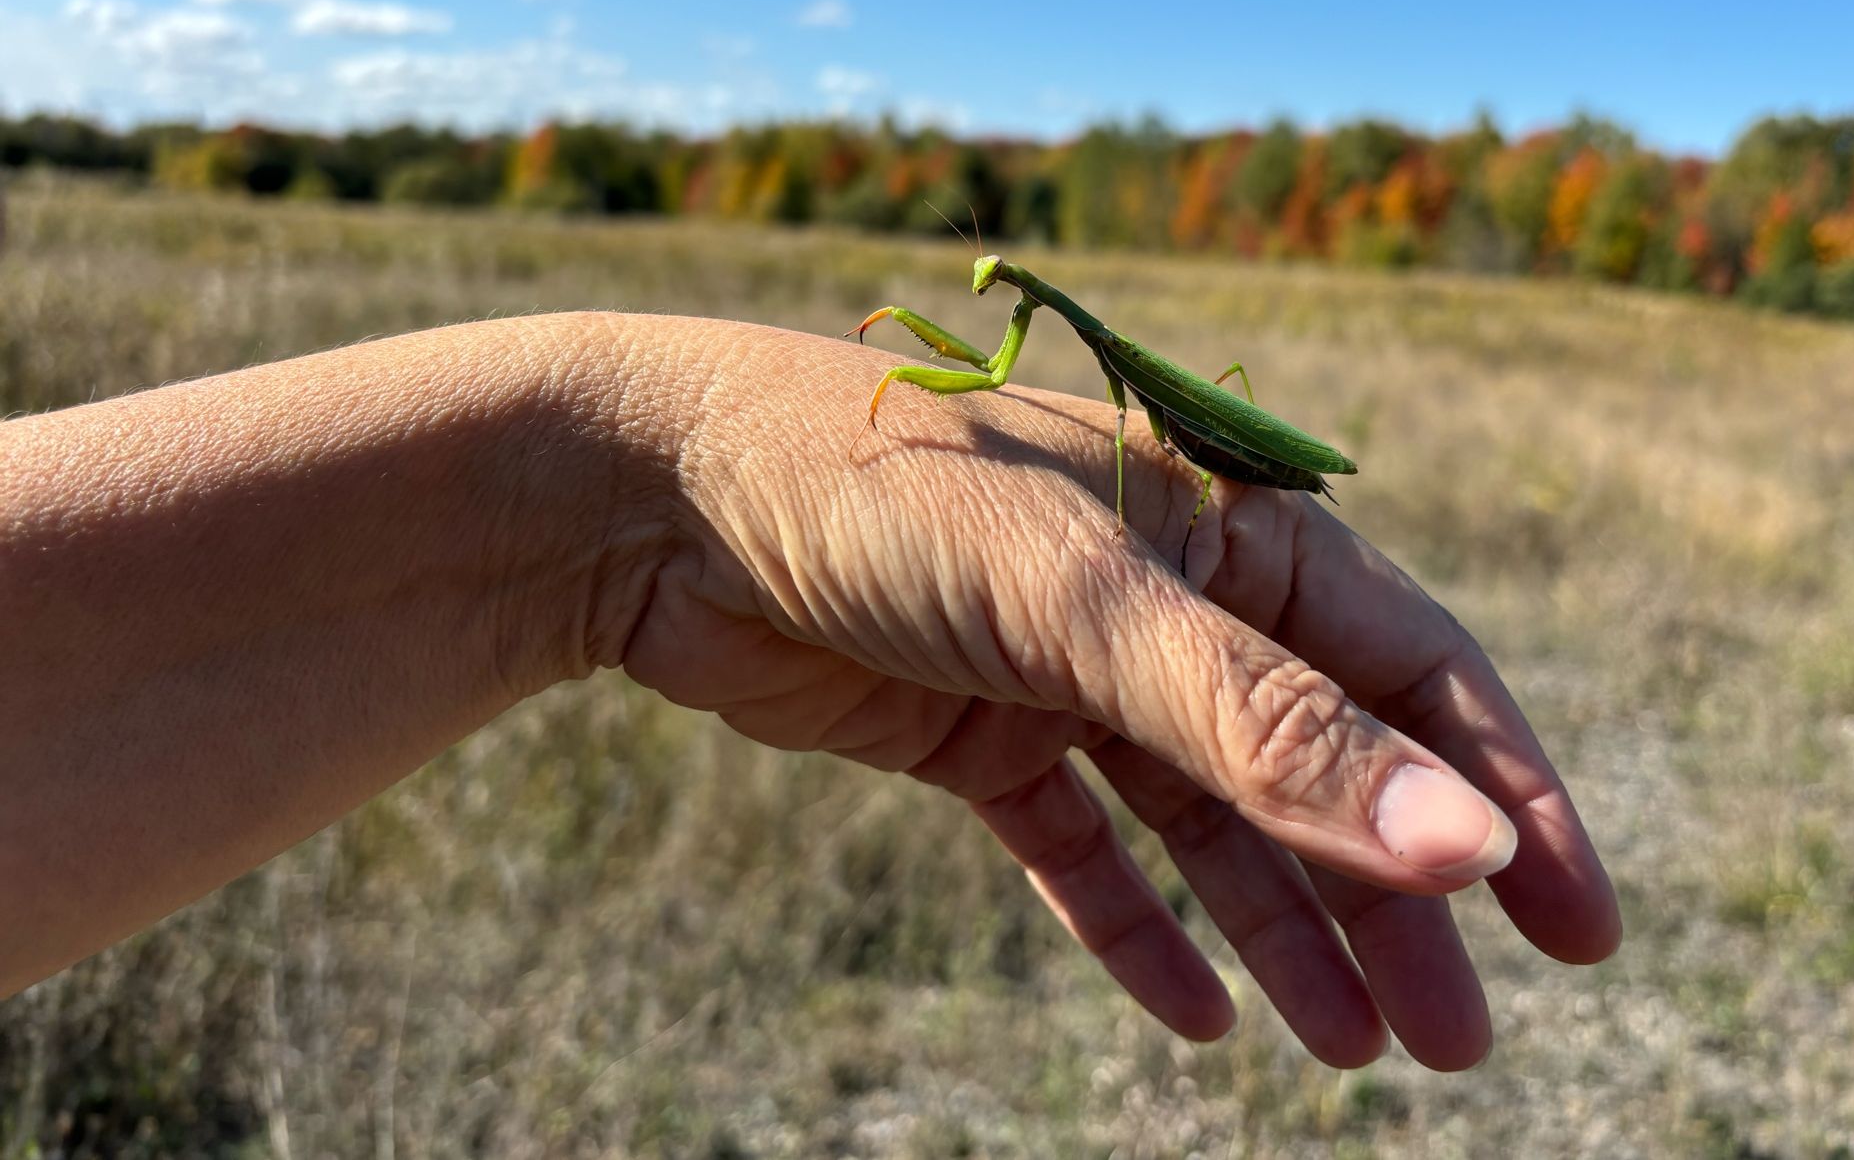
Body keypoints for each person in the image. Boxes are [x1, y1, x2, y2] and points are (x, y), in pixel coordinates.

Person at [0, 311, 1619, 1070]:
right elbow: (975, 376)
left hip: (1228, 451)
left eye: (1003, 280)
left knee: (1233, 432)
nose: (991, 298)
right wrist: (656, 464)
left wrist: (620, 504)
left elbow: (1109, 412)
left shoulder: (1110, 373)